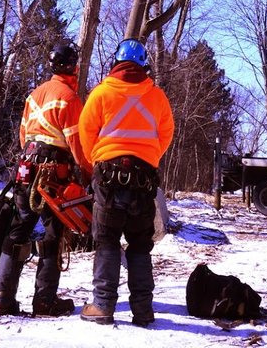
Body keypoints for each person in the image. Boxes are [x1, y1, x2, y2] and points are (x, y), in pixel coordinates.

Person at [77, 38, 175, 326]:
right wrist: (150, 156)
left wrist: (97, 159)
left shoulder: (101, 93)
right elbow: (166, 133)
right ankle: (143, 311)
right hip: (144, 180)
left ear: (116, 62)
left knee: (107, 241)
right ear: (144, 65)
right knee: (140, 244)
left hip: (107, 176)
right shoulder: (157, 97)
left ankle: (103, 306)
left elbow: (85, 134)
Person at [0, 41, 92, 317]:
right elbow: (77, 145)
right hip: (53, 174)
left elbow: (24, 137)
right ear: (74, 66)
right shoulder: (69, 99)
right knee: (52, 234)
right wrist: (88, 174)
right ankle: (45, 301)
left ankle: (3, 298)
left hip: (26, 168)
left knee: (18, 230)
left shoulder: (33, 95)